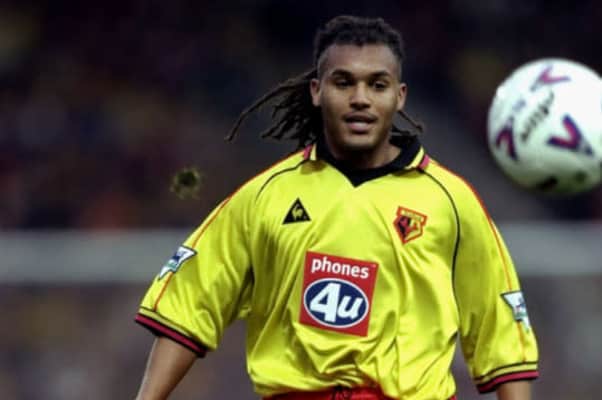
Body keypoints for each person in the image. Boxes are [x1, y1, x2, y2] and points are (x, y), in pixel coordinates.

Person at [134, 15, 538, 400]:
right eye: (344, 82)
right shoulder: (264, 196)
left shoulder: (451, 201)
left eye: (377, 85)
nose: (360, 98)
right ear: (316, 91)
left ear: (399, 97)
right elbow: (188, 307)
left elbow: (502, 333)